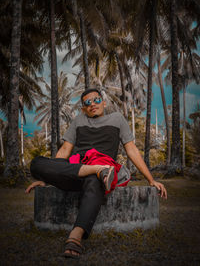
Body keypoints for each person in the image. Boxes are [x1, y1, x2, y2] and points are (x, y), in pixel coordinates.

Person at [26, 88, 167, 259]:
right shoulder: (78, 120)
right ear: (83, 108)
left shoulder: (117, 119)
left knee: (94, 180)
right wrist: (48, 178)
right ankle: (96, 170)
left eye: (96, 100)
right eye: (87, 102)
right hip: (77, 170)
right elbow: (64, 151)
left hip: (102, 173)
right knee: (36, 163)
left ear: (104, 102)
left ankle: (76, 235)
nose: (92, 104)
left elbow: (132, 150)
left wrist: (151, 180)